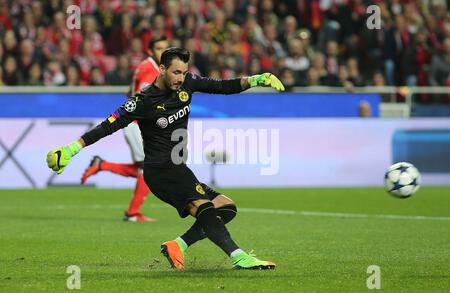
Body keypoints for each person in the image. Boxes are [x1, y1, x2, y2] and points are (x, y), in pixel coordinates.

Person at [47, 47, 284, 270]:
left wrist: (256, 79)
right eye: (176, 72)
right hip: (161, 170)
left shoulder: (187, 84)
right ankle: (238, 256)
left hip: (178, 167)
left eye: (184, 72)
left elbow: (223, 86)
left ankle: (178, 245)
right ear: (162, 69)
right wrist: (72, 149)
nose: (181, 78)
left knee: (227, 207)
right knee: (205, 208)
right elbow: (108, 125)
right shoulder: (143, 101)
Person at [81, 36, 169, 223]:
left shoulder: (149, 67)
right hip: (137, 124)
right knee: (150, 167)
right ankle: (132, 213)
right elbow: (142, 98)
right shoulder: (149, 69)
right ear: (150, 51)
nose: (164, 52)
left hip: (136, 123)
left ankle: (101, 165)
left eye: (166, 48)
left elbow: (129, 93)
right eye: (160, 48)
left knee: (143, 167)